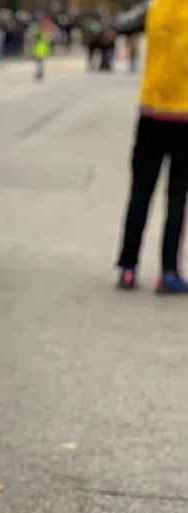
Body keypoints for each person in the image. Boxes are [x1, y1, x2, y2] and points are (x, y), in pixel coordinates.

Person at [116, 0, 188, 294]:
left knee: (140, 192)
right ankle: (168, 272)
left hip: (150, 111)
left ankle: (128, 267)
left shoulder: (153, 9)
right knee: (177, 196)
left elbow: (122, 25)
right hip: (185, 116)